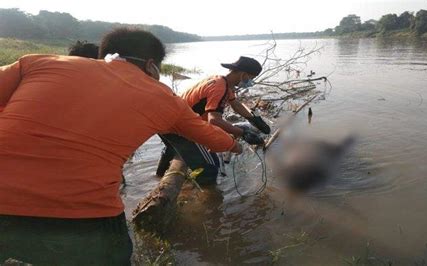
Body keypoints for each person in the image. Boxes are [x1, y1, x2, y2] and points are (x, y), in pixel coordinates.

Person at [0, 27, 241, 265]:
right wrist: (234, 143)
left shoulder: (39, 63)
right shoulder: (164, 97)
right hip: (83, 216)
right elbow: (212, 138)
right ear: (151, 65)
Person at [156, 56, 271, 184]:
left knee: (173, 149)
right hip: (178, 127)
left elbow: (236, 104)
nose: (250, 82)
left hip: (165, 121)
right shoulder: (220, 88)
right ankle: (208, 197)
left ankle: (158, 177)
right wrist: (242, 133)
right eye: (251, 78)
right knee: (210, 167)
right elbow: (214, 121)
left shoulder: (221, 81)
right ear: (243, 74)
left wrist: (254, 119)